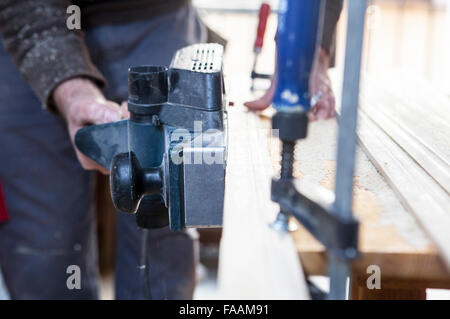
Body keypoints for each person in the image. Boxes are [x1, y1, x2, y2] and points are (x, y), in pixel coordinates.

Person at [0, 0, 342, 299]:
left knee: (167, 234)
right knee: (45, 251)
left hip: (160, 17)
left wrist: (311, 44)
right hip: (33, 22)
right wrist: (69, 89)